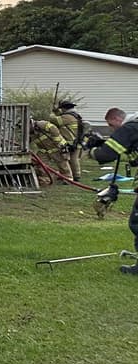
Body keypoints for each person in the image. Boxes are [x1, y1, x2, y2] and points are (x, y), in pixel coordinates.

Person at [85, 107, 138, 274]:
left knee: (137, 222)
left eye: (110, 125)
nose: (111, 129)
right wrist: (105, 143)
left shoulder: (129, 128)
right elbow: (124, 147)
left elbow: (106, 155)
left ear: (117, 119)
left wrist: (91, 150)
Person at [52, 99, 87, 182]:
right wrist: (57, 112)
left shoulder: (68, 117)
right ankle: (76, 175)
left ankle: (70, 176)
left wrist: (52, 113)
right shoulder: (75, 115)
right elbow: (60, 117)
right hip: (77, 141)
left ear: (64, 108)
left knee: (68, 159)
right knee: (74, 159)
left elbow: (55, 121)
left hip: (70, 142)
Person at [29, 118, 70, 187]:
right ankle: (45, 180)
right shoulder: (30, 132)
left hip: (57, 147)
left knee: (62, 164)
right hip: (44, 150)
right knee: (41, 165)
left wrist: (57, 141)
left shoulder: (42, 124)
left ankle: (68, 179)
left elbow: (53, 129)